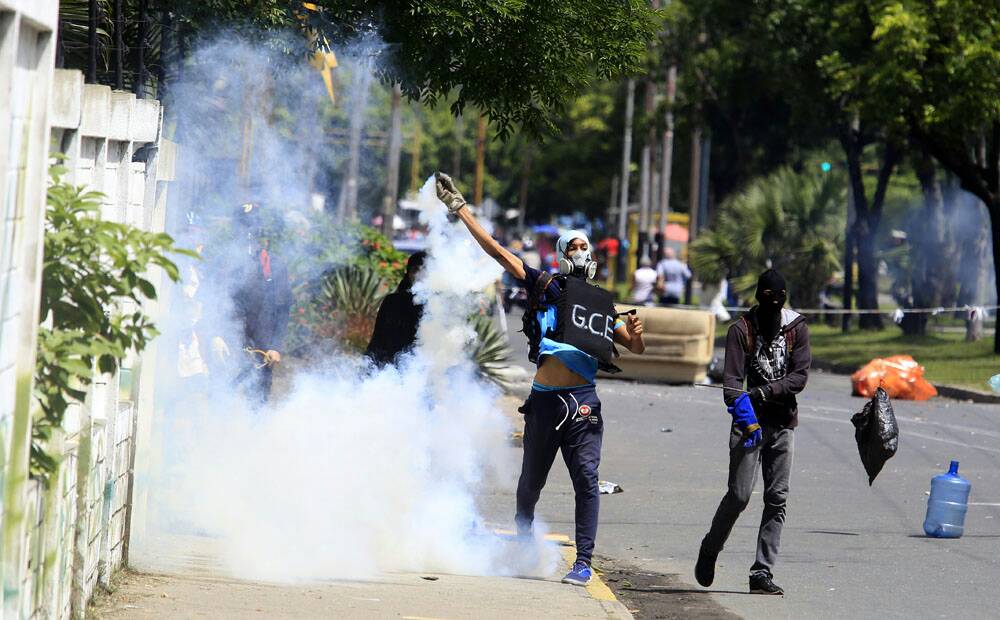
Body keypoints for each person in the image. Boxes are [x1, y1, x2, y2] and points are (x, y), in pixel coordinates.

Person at [436, 172, 646, 587]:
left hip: (583, 402)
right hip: (545, 400)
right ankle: (522, 540)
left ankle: (582, 562)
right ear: (563, 256)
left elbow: (634, 348)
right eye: (575, 246)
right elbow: (498, 252)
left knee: (586, 480)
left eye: (586, 246)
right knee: (530, 482)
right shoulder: (546, 286)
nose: (583, 251)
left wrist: (636, 334)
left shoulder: (603, 304)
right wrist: (460, 209)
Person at [695, 268, 811, 596]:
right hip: (749, 425)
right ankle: (710, 547)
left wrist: (764, 392)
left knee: (777, 498)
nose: (774, 313)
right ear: (759, 299)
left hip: (783, 423)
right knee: (740, 495)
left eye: (779, 306)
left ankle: (761, 571)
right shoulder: (741, 330)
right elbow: (731, 384)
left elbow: (799, 377)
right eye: (768, 305)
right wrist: (746, 412)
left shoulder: (796, 328)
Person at [230, 202, 293, 405]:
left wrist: (275, 346)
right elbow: (210, 303)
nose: (249, 235)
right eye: (244, 228)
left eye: (252, 228)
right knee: (223, 402)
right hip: (228, 347)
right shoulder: (225, 263)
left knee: (257, 405)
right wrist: (215, 337)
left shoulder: (274, 266)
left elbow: (283, 310)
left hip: (262, 351)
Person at [365, 251, 427, 366]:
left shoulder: (437, 305)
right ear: (408, 273)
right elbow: (379, 338)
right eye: (415, 270)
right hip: (392, 368)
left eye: (423, 270)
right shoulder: (392, 301)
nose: (418, 275)